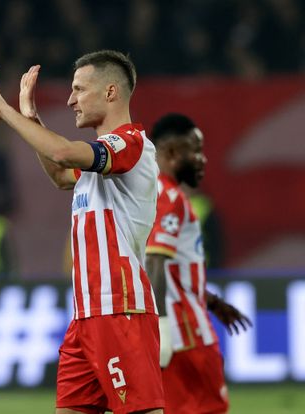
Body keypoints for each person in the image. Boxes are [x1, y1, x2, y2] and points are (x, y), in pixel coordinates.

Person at [0, 51, 163, 413]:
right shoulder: (97, 165)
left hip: (120, 309)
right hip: (85, 315)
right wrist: (30, 118)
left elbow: (64, 153)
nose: (70, 100)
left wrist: (7, 113)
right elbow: (59, 174)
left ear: (111, 92)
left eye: (79, 89)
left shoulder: (131, 143)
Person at [145, 113, 252, 414]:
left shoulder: (148, 194)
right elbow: (155, 262)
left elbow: (170, 269)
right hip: (186, 333)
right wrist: (162, 328)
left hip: (177, 327)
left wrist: (212, 301)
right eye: (195, 150)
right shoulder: (170, 198)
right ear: (171, 153)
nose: (202, 159)